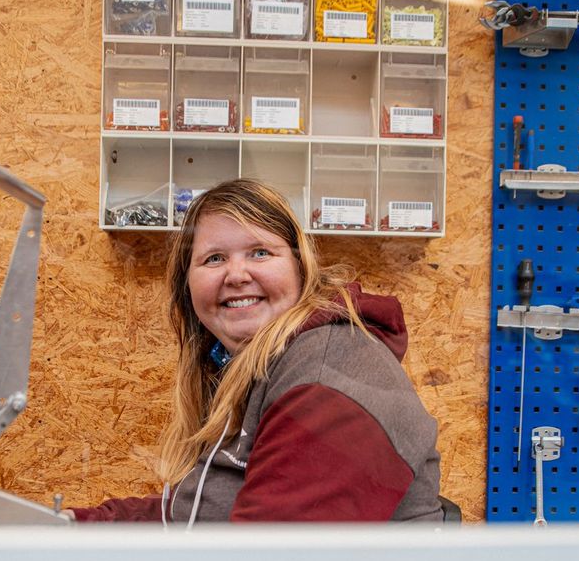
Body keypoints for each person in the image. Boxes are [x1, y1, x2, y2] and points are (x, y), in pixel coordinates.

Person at [66, 179, 444, 524]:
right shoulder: (256, 367)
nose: (236, 275)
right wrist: (73, 527)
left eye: (260, 253)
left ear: (301, 268)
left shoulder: (326, 379)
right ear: (187, 284)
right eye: (214, 259)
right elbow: (195, 512)